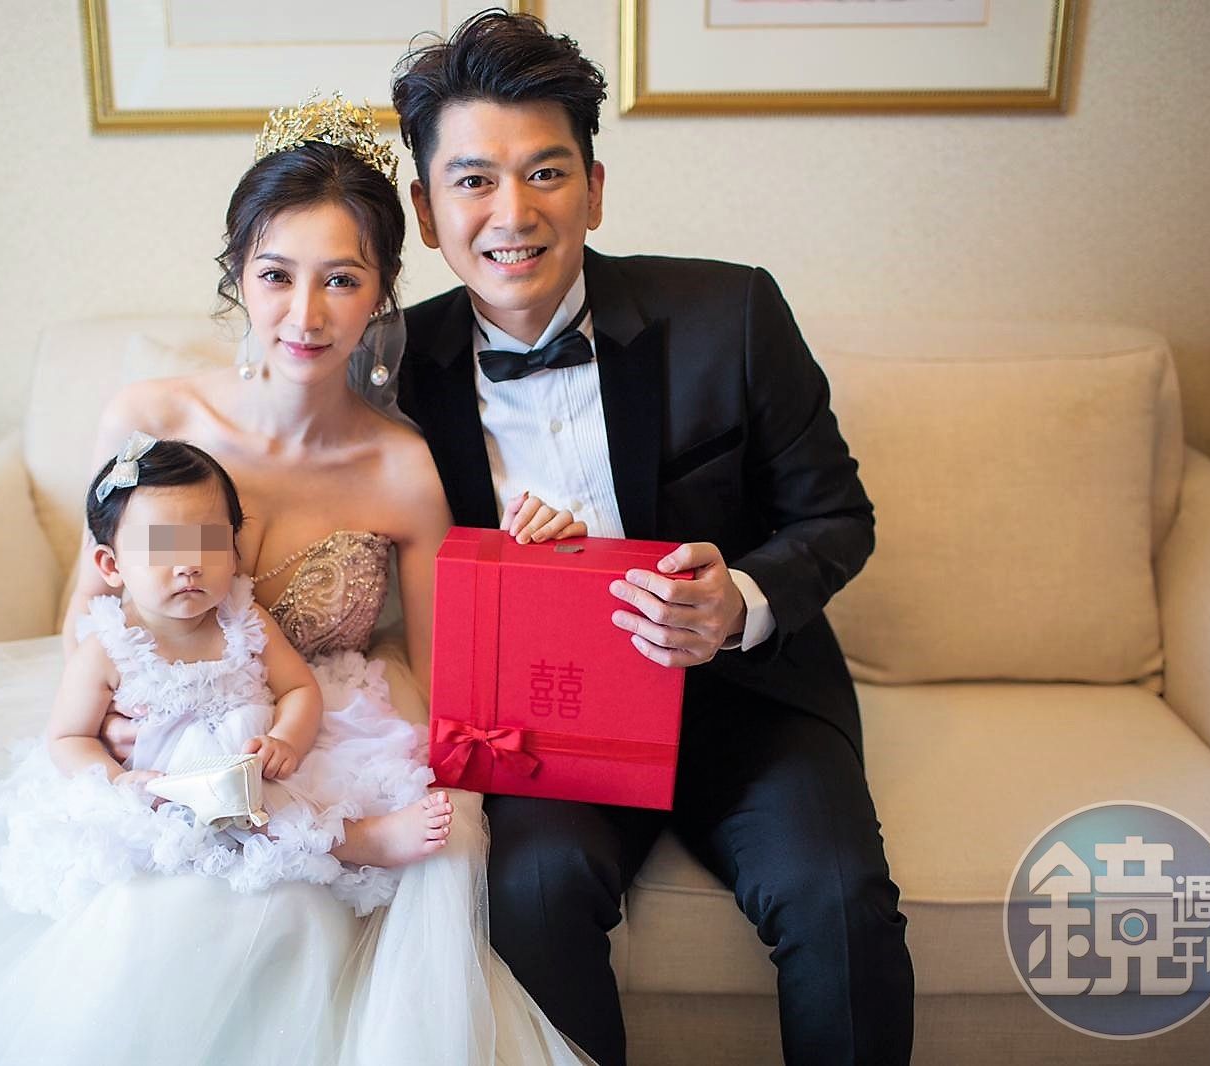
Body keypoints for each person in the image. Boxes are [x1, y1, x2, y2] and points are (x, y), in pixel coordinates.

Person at [0, 93, 591, 1065]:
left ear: (380, 293)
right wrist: (123, 720)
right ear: (237, 276)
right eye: (276, 275)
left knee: (269, 913)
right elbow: (90, 607)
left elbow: (448, 670)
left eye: (341, 279)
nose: (305, 313)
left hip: (314, 739)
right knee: (136, 912)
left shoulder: (401, 468)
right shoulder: (154, 422)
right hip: (151, 725)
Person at [391, 12, 915, 1065]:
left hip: (745, 696)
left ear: (593, 187)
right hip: (545, 721)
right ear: (425, 210)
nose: (512, 213)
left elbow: (836, 516)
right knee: (530, 888)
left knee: (836, 893)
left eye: (545, 173)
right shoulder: (394, 369)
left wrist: (741, 601)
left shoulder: (731, 312)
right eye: (474, 180)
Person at [0, 434, 452, 920]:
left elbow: (298, 688)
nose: (189, 565)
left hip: (254, 771)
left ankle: (362, 838)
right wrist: (120, 781)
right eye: (162, 547)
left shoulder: (244, 620)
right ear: (111, 565)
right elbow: (68, 737)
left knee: (273, 802)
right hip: (164, 795)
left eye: (209, 543)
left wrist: (286, 739)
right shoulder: (107, 649)